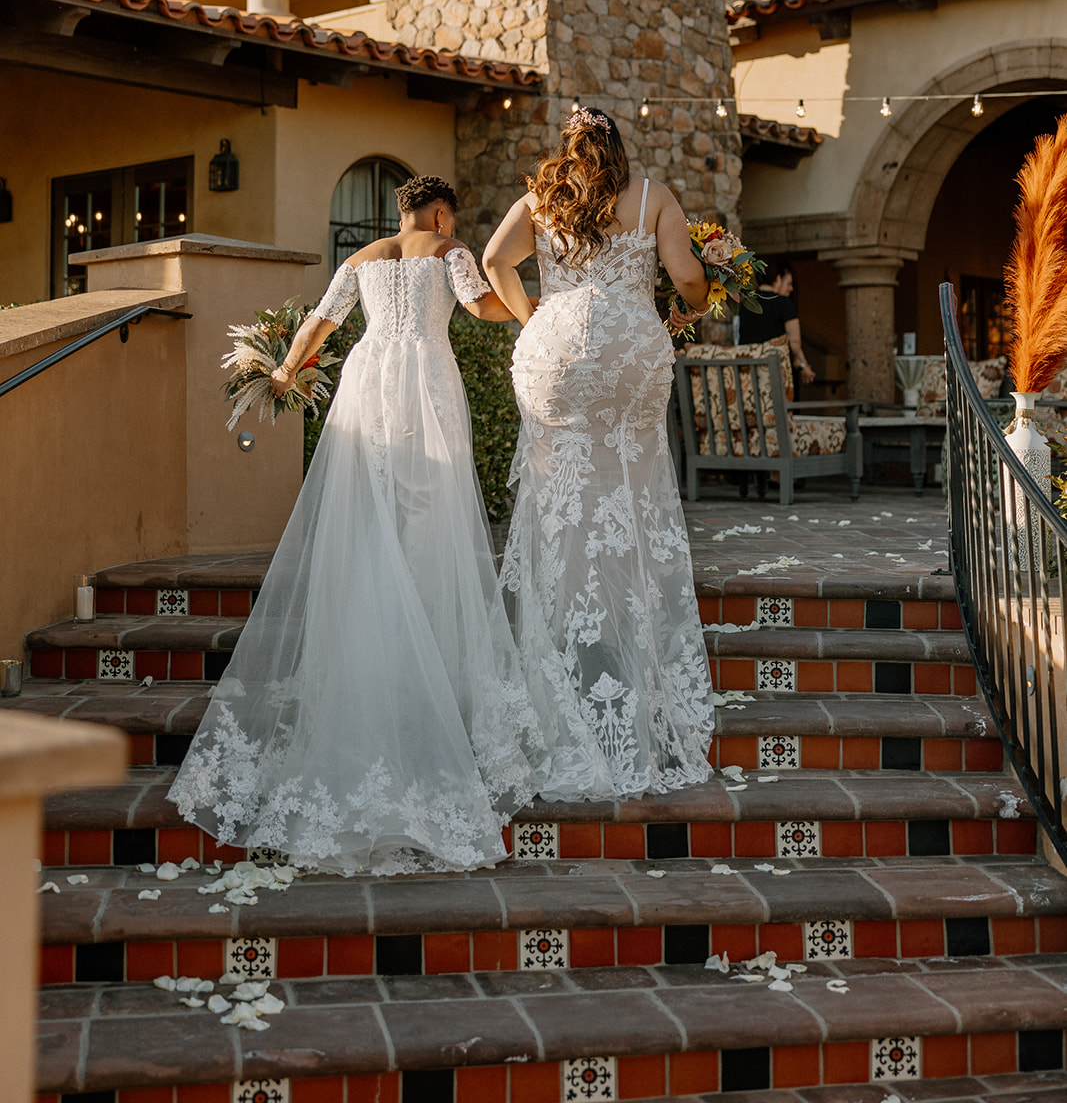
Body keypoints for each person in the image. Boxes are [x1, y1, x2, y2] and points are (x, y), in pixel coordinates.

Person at [170, 176, 544, 875]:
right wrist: (535, 316)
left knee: (369, 509)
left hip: (369, 380)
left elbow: (321, 321)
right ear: (439, 212)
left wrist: (283, 370)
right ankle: (423, 664)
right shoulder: (450, 248)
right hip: (426, 379)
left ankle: (376, 643)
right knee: (429, 510)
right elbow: (480, 304)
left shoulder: (363, 258)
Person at [483, 109, 716, 800]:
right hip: (628, 351)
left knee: (557, 488)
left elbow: (494, 262)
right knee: (630, 483)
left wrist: (538, 316)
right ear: (619, 147)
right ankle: (623, 631)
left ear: (569, 147)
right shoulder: (651, 196)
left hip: (552, 348)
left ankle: (559, 642)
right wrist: (692, 305)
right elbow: (687, 280)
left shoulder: (539, 198)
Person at [737, 256, 815, 387]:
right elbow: (794, 343)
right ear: (778, 278)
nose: (791, 289)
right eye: (789, 284)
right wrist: (802, 365)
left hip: (748, 371)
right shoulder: (783, 303)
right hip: (776, 373)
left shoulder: (747, 302)